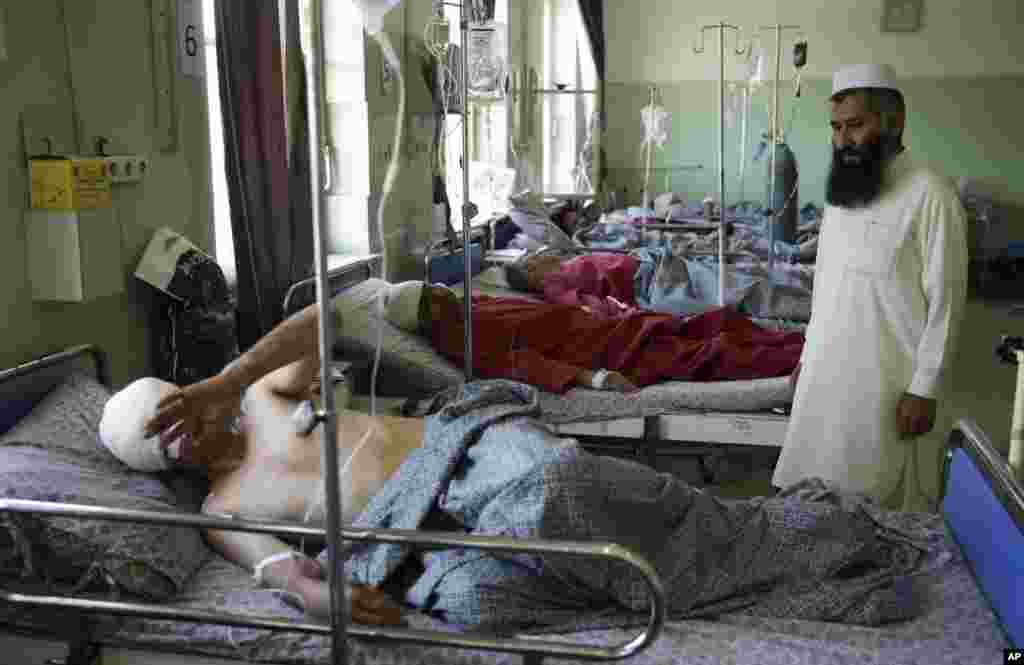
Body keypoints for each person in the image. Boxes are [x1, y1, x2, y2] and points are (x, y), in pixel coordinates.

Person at [134, 299, 933, 631]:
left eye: (174, 411)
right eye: (159, 439)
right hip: (415, 543)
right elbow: (282, 572)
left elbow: (328, 316)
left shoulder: (265, 396)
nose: (181, 435)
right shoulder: (222, 508)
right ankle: (702, 584)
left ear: (185, 394)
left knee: (558, 489)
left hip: (466, 456)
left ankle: (793, 539)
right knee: (485, 604)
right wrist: (335, 594)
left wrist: (223, 380)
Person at [771, 64, 968, 512]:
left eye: (856, 125)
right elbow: (826, 285)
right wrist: (807, 355)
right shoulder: (843, 195)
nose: (843, 139)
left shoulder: (930, 196)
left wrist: (925, 387)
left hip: (889, 386)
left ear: (894, 121)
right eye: (836, 128)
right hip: (828, 377)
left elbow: (948, 302)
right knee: (816, 502)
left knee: (882, 511)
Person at [397, 279, 804, 393]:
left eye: (434, 287)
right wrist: (593, 378)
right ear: (425, 314)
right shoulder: (458, 341)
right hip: (607, 354)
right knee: (715, 352)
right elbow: (519, 365)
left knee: (719, 321)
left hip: (611, 328)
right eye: (430, 295)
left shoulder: (468, 302)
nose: (440, 290)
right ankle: (805, 360)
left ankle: (804, 343)